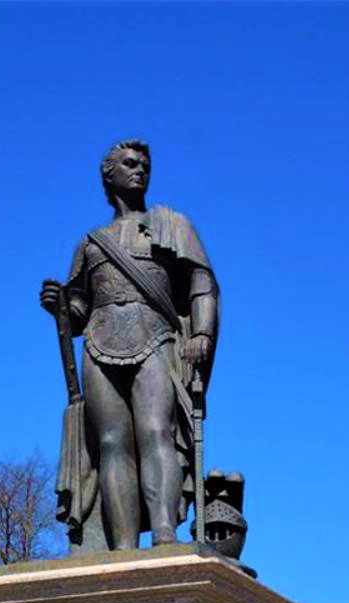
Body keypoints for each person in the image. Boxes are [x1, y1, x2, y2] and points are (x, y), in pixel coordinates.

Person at [40, 139, 219, 550]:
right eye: (130, 163)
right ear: (109, 175)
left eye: (145, 165)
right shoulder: (90, 242)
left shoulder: (174, 225)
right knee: (110, 443)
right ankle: (122, 548)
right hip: (100, 342)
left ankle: (163, 535)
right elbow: (80, 311)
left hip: (154, 334)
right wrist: (61, 307)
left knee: (156, 431)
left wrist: (203, 333)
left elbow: (201, 284)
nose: (140, 170)